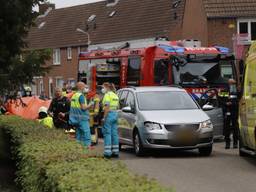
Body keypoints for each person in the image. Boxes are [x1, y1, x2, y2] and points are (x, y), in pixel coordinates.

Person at [69, 82, 93, 147]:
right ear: (81, 87)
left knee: (78, 136)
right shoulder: (81, 96)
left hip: (75, 119)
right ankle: (87, 150)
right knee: (86, 135)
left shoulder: (74, 95)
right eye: (85, 87)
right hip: (82, 119)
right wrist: (90, 104)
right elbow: (83, 108)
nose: (86, 88)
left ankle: (79, 150)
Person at [101, 82, 120, 158]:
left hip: (109, 115)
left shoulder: (107, 95)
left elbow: (107, 107)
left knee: (107, 133)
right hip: (115, 115)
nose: (102, 89)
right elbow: (118, 106)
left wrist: (104, 117)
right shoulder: (115, 95)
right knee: (114, 134)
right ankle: (115, 151)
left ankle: (107, 153)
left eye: (103, 87)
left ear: (106, 87)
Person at [223, 79, 239, 149]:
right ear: (228, 83)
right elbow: (220, 100)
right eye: (231, 83)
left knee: (235, 127)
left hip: (234, 111)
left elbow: (239, 101)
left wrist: (232, 103)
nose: (233, 85)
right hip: (227, 111)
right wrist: (226, 103)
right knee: (227, 128)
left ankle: (235, 143)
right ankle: (227, 143)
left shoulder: (237, 92)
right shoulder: (224, 91)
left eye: (234, 84)